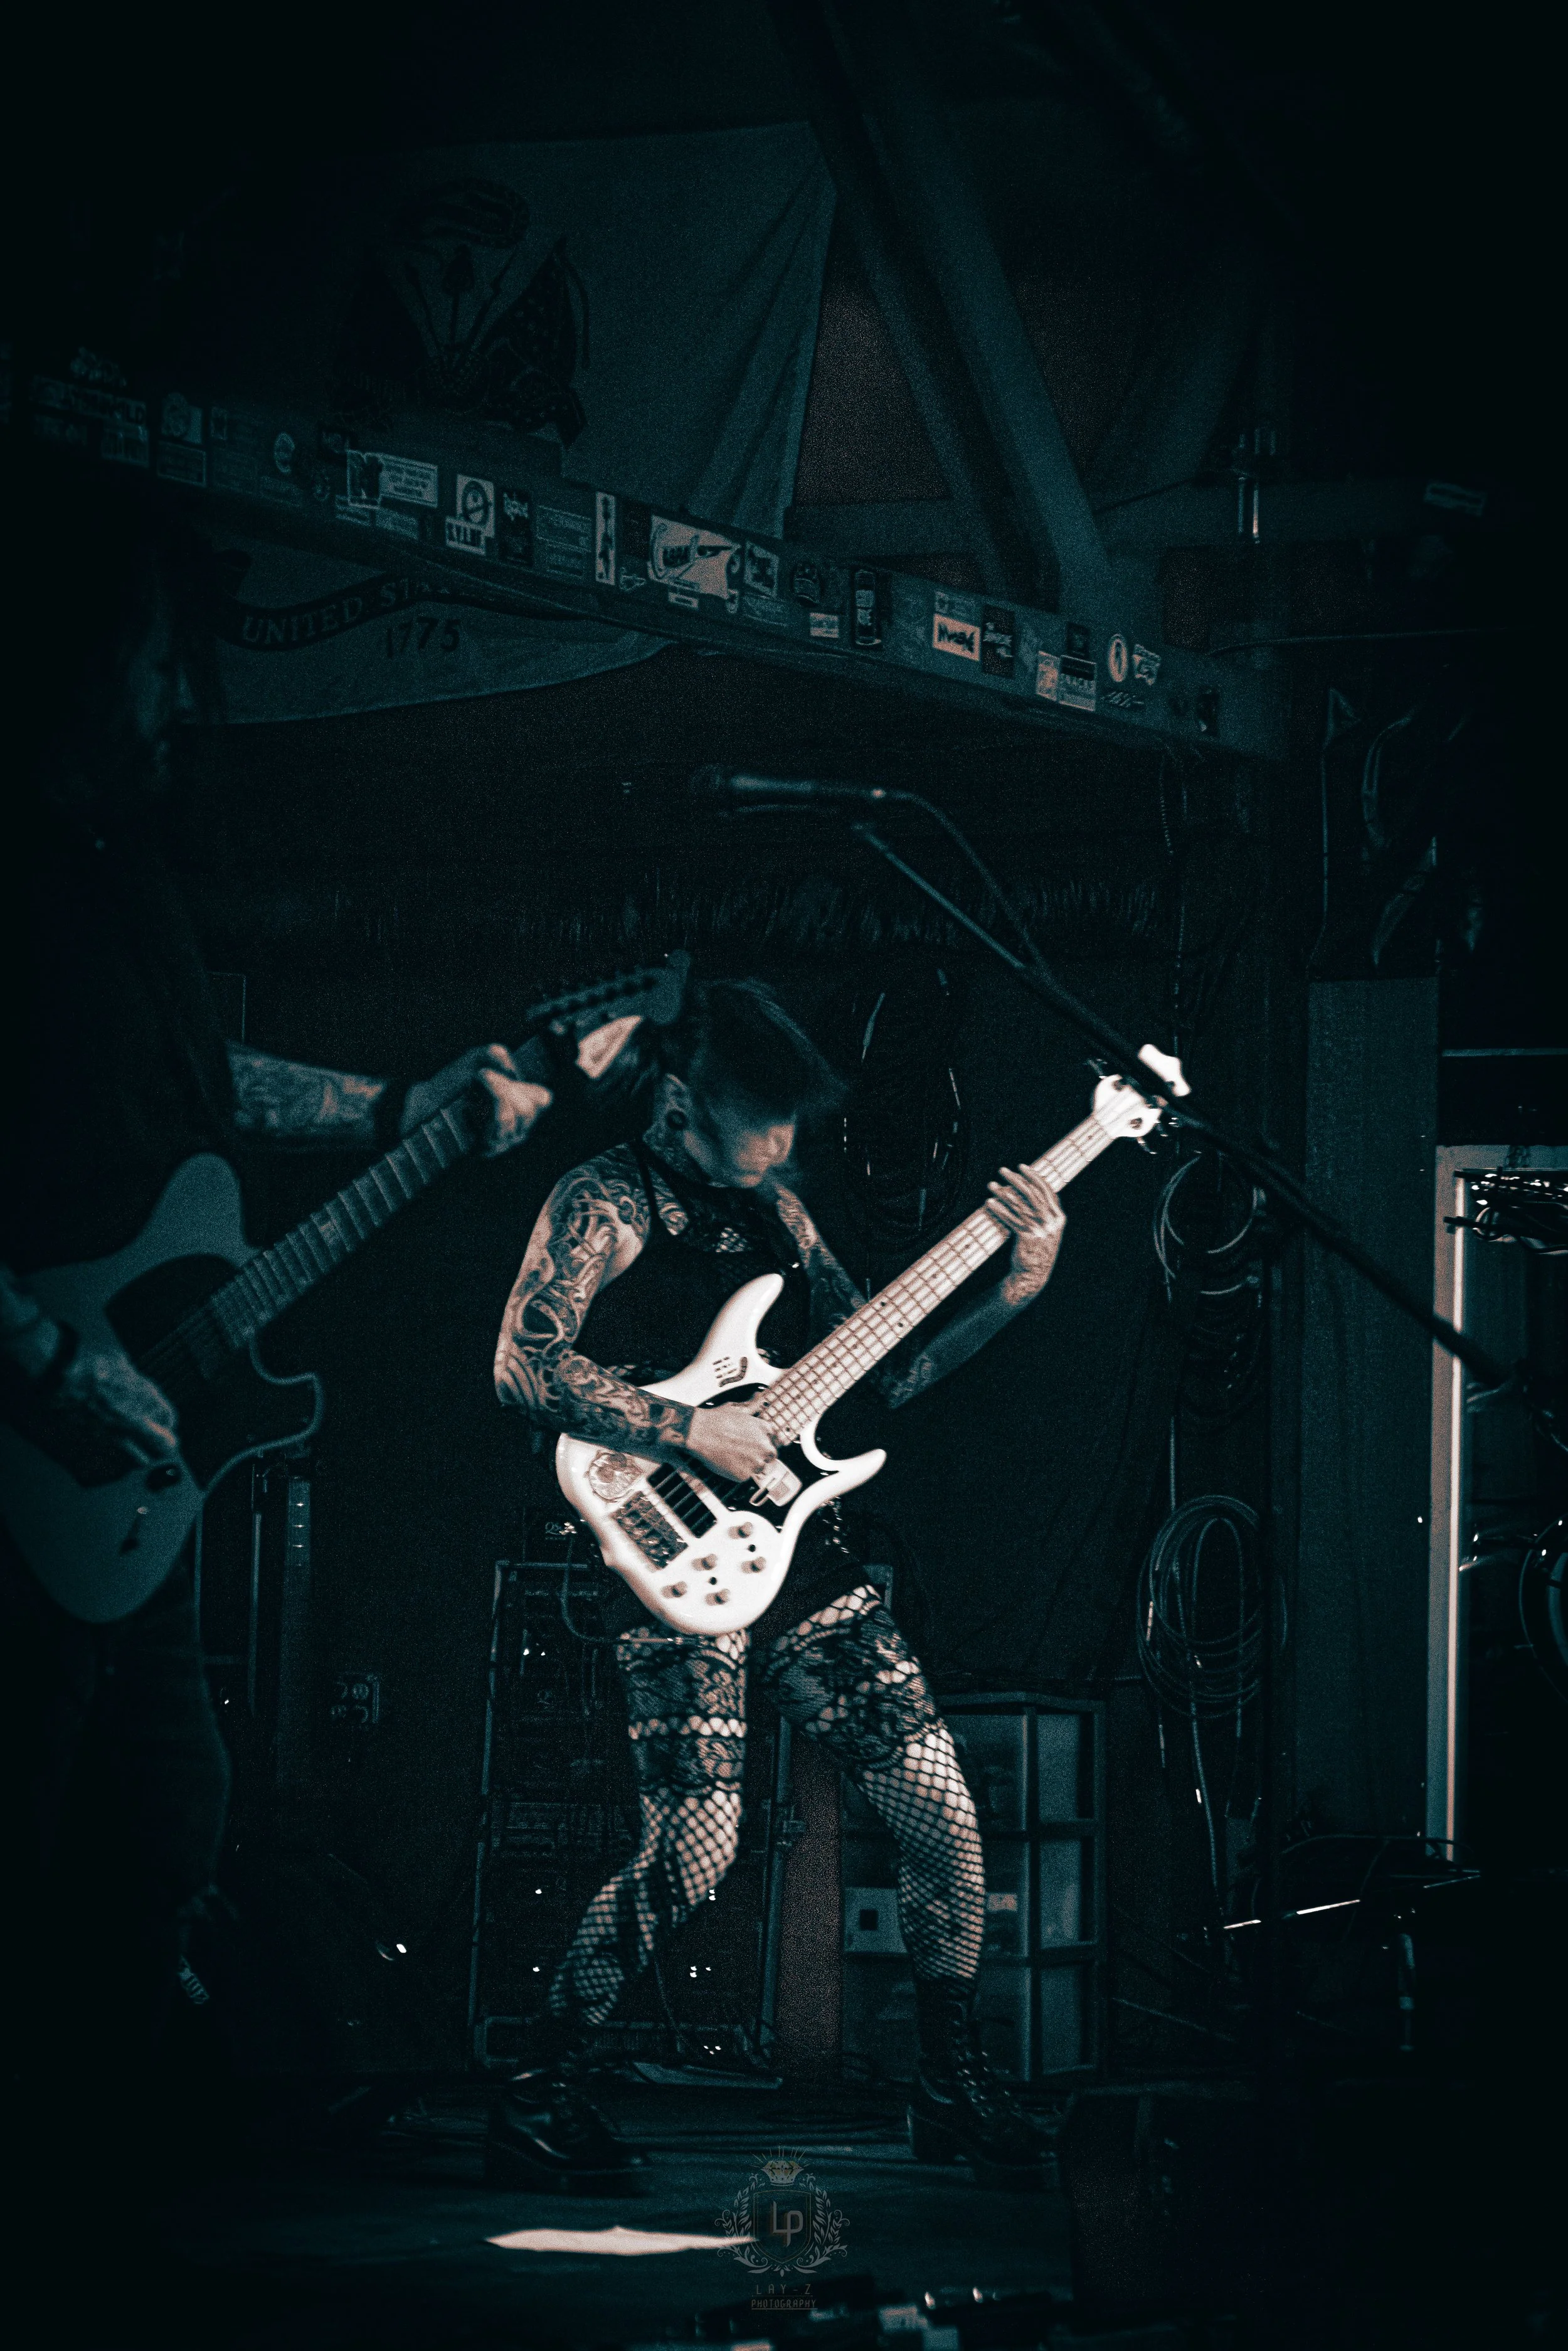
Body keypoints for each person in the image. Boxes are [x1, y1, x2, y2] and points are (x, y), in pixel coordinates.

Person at [0, 460, 551, 2288]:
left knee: (163, 1827)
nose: (183, 699)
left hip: (119, 1500)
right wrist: (46, 1355)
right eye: (155, 661)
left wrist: (405, 1113)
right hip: (32, 1443)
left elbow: (201, 1104)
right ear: (69, 664)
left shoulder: (123, 876)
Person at [491, 977, 1067, 2190]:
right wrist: (689, 1434)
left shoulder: (786, 1217)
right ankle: (541, 2085)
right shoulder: (607, 1200)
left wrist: (1016, 1289)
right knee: (696, 1852)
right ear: (686, 1098)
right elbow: (523, 1366)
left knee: (944, 1819)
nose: (791, 1143)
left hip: (800, 1550)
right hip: (667, 1548)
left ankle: (949, 2086)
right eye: (771, 1119)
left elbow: (885, 1380)